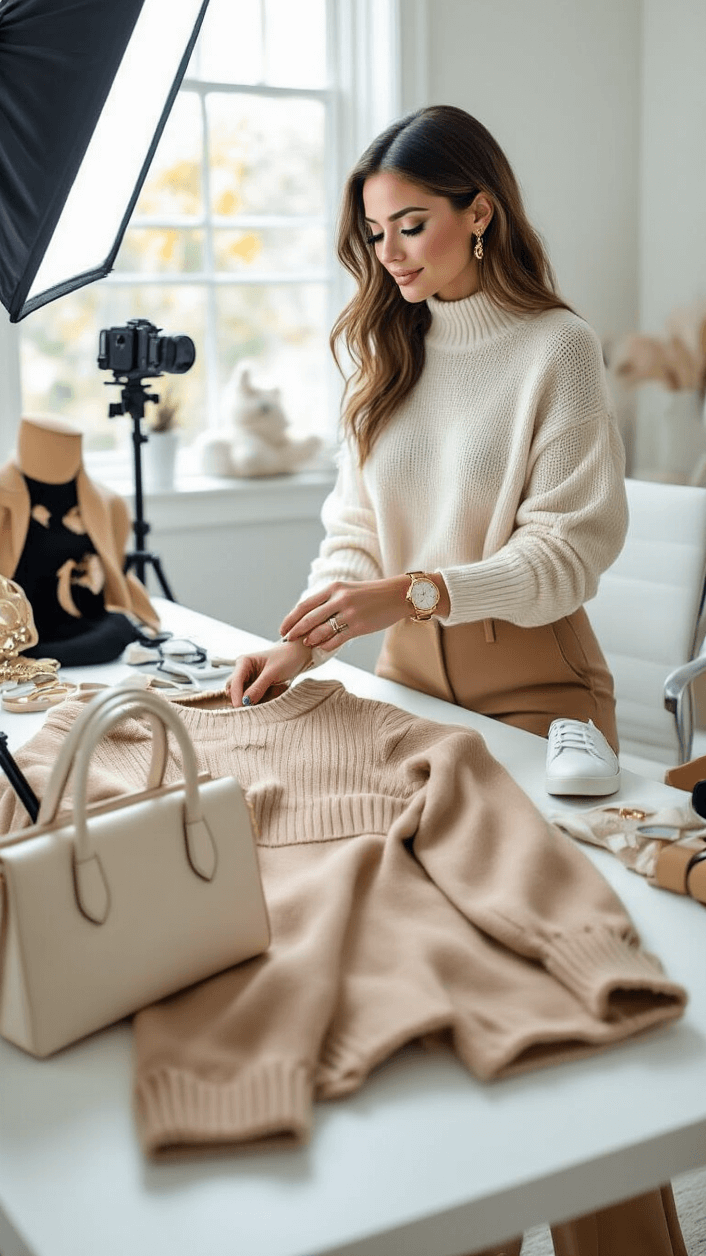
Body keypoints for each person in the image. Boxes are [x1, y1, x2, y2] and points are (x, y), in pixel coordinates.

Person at [229, 105, 687, 1256]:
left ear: (481, 212)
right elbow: (352, 532)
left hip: (539, 699)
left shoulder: (557, 351)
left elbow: (566, 553)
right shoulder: (385, 351)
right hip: (404, 696)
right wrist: (306, 637)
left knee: (567, 1003)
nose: (390, 256)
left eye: (413, 225)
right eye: (375, 234)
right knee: (436, 1000)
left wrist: (419, 591)